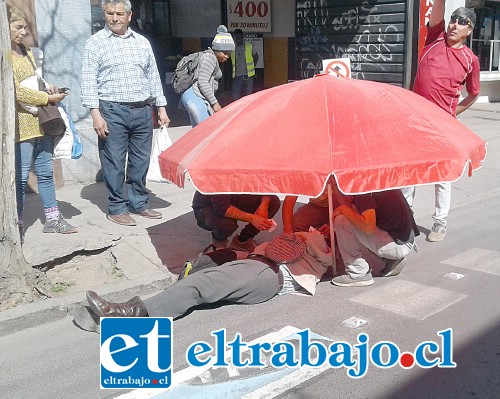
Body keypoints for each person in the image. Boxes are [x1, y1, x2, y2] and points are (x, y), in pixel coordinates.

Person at [78, 232, 333, 322]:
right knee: (212, 259)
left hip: (265, 273)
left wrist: (315, 235)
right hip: (257, 265)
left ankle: (132, 313)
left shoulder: (319, 246)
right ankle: (175, 293)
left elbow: (313, 255)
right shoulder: (309, 235)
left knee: (201, 285)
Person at [81, 0, 170, 227]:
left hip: (142, 110)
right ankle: (117, 207)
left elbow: (153, 76)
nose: (114, 18)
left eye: (119, 13)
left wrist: (161, 107)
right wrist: (95, 114)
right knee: (114, 162)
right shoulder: (95, 43)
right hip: (112, 111)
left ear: (129, 15)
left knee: (140, 161)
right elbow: (88, 80)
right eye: (110, 13)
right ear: (104, 14)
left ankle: (139, 203)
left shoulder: (142, 42)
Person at [404, 0, 480, 242]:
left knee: (443, 177)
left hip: (443, 126)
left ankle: (440, 222)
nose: (454, 25)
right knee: (409, 174)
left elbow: (474, 93)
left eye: (461, 22)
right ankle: (405, 219)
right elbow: (437, 13)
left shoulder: (471, 60)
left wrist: (454, 113)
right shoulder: (434, 39)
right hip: (416, 120)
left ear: (470, 30)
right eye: (453, 19)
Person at [8, 4, 78, 243]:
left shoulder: (25, 50)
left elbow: (33, 81)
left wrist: (48, 88)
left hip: (42, 121)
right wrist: (46, 98)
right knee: (20, 177)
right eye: (18, 27)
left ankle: (52, 219)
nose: (22, 31)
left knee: (46, 173)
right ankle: (15, 224)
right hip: (21, 125)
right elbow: (14, 91)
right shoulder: (3, 55)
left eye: (25, 27)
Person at [331, 189, 419, 287]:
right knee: (351, 213)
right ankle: (391, 259)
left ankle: (358, 273)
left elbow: (368, 227)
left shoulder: (362, 189)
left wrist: (343, 209)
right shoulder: (372, 180)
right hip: (404, 240)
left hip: (398, 245)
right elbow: (351, 208)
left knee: (342, 220)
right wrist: (337, 190)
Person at [180, 25, 235, 127]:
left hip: (193, 97)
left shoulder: (211, 58)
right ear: (217, 49)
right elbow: (203, 82)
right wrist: (214, 103)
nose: (227, 56)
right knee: (206, 130)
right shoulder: (210, 58)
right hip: (195, 96)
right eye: (225, 52)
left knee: (198, 133)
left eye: (229, 53)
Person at [192, 192, 281, 251]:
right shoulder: (222, 170)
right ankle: (218, 242)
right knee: (227, 224)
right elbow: (221, 208)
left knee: (273, 201)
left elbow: (263, 184)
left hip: (232, 198)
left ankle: (242, 241)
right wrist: (253, 218)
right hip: (207, 207)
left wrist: (264, 204)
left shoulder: (253, 165)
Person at [231, 29, 259, 101]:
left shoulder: (249, 46)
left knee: (248, 97)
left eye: (240, 38)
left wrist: (252, 67)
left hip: (248, 75)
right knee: (235, 97)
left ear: (243, 37)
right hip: (237, 75)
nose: (239, 40)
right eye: (237, 38)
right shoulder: (232, 48)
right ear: (234, 38)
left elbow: (256, 57)